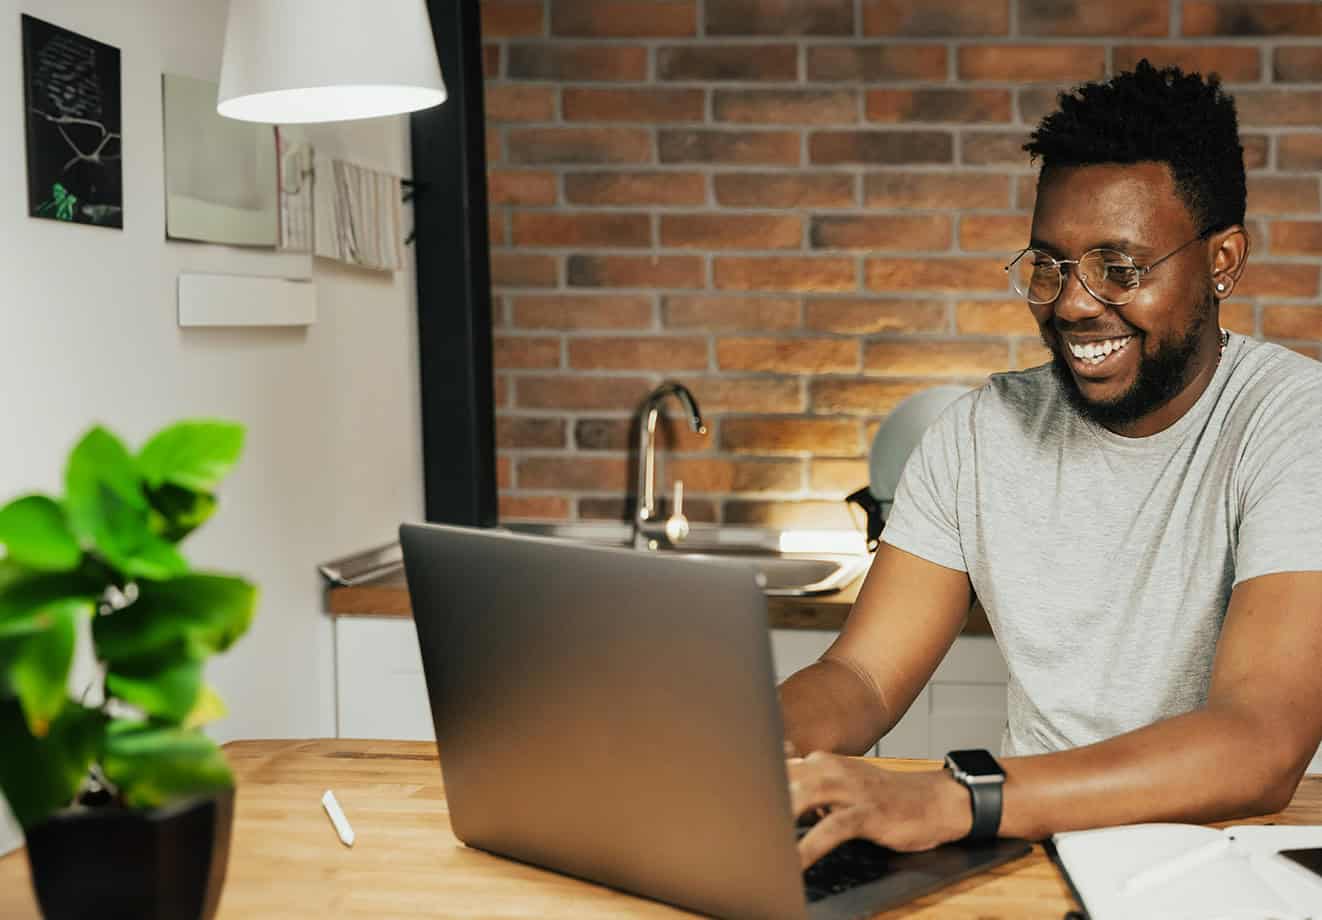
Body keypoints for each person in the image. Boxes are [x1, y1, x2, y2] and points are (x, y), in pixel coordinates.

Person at [779, 60, 1322, 868]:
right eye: (1051, 265)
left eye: (1119, 269)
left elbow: (1260, 743)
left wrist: (958, 797)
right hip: (1030, 854)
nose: (1071, 303)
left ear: (1223, 261)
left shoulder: (1293, 422)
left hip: (1235, 864)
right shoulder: (977, 435)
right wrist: (734, 748)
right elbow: (859, 676)